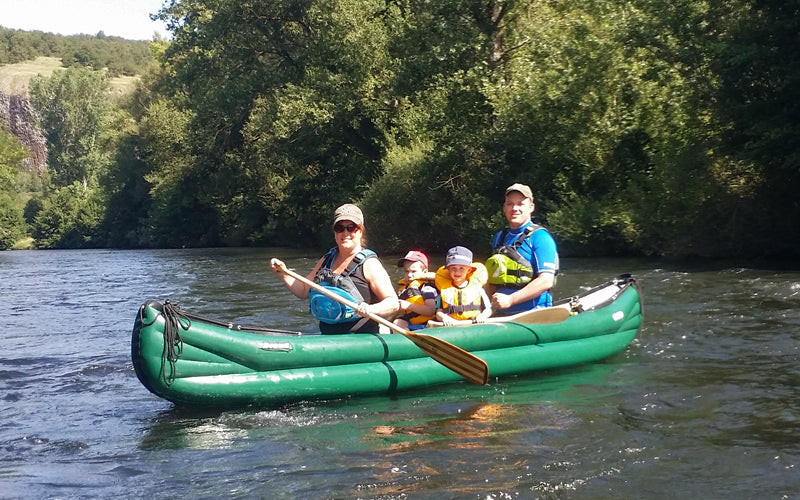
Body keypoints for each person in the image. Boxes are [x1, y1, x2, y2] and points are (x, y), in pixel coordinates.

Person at [270, 203, 399, 334]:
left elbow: (393, 303)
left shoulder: (370, 264)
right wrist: (284, 274)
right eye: (339, 228)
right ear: (335, 232)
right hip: (328, 335)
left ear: (360, 231)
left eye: (351, 227)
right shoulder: (326, 260)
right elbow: (303, 291)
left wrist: (372, 309)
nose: (345, 233)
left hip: (361, 337)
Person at [485, 183, 559, 315]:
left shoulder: (541, 237)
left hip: (533, 313)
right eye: (510, 204)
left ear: (531, 207)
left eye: (520, 204)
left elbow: (546, 280)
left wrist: (511, 299)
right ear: (504, 207)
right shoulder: (499, 237)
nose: (515, 208)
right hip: (503, 313)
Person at [430, 246, 492, 326]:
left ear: (469, 270)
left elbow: (488, 310)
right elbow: (439, 312)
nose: (457, 272)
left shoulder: (478, 290)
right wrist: (444, 318)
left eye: (461, 268)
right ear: (448, 270)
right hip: (451, 325)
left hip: (474, 325)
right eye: (453, 268)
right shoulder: (444, 289)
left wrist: (483, 316)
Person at [393, 250, 438, 330]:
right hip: (411, 322)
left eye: (413, 271)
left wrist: (407, 305)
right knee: (397, 322)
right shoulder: (405, 288)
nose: (409, 275)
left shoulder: (427, 288)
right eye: (406, 271)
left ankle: (407, 340)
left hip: (427, 325)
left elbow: (430, 310)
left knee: (398, 324)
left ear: (425, 272)